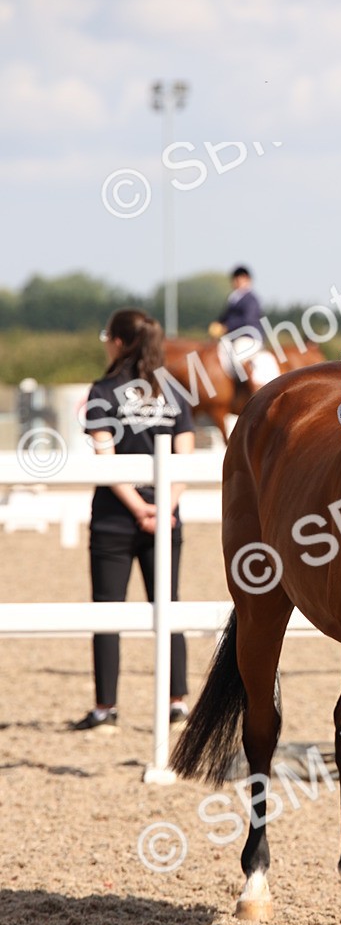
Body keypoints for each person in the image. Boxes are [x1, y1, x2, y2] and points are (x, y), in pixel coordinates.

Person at [69, 309, 195, 732]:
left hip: (114, 518)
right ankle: (177, 701)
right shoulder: (175, 389)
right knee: (169, 605)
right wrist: (165, 507)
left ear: (120, 342)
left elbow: (106, 459)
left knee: (107, 611)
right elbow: (185, 458)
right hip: (166, 516)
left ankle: (106, 707)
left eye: (108, 335)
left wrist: (138, 508)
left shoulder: (104, 390)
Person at [209, 266, 280, 395]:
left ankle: (254, 391)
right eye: (235, 279)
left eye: (239, 279)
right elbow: (225, 316)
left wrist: (227, 327)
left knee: (238, 357)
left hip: (249, 337)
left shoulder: (251, 299)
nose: (236, 282)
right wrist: (218, 324)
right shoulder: (233, 298)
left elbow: (247, 319)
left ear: (247, 280)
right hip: (234, 337)